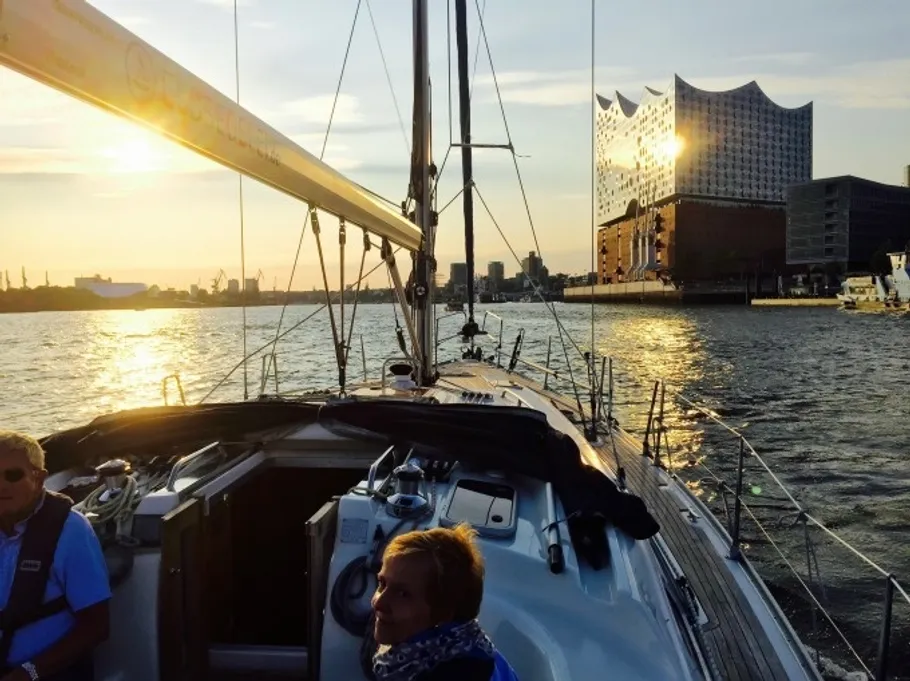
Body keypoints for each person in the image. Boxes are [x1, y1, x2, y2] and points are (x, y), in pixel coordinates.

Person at [0, 431, 111, 681]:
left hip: (48, 674)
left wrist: (28, 673)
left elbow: (96, 626)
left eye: (13, 475)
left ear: (39, 479)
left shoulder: (70, 531)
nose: (1, 484)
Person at [370, 523, 519, 681]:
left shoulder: (459, 673)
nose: (378, 603)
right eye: (382, 584)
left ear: (444, 614)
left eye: (403, 594)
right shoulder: (469, 644)